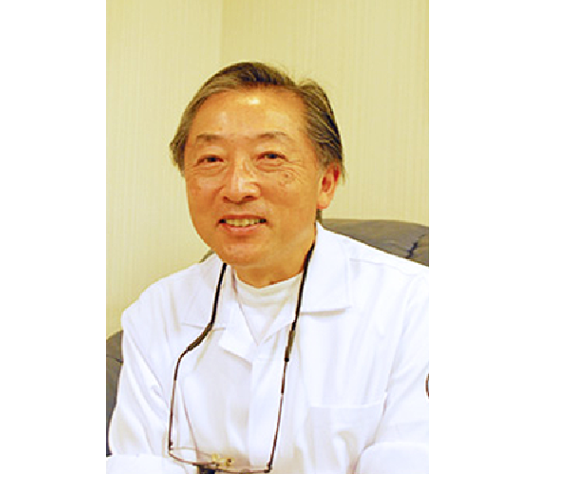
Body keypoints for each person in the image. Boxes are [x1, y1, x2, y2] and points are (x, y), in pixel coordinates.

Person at [107, 62, 429, 474]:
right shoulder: (157, 312)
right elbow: (137, 465)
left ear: (326, 182)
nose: (236, 187)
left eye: (270, 157)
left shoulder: (414, 306)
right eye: (211, 159)